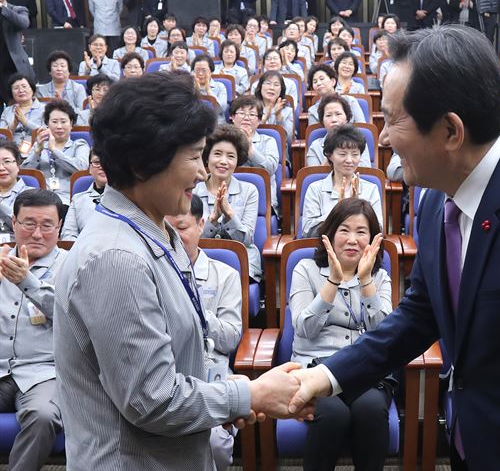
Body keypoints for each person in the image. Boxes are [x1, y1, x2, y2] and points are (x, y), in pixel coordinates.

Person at [288, 25, 500, 471]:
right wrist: (326, 376)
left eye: (394, 119)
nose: (382, 139)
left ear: (451, 131)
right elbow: (420, 315)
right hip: (470, 446)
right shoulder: (436, 201)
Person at [53, 70, 310, 471]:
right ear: (142, 164)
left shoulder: (158, 232)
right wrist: (249, 396)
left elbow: (175, 364)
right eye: (193, 156)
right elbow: (152, 399)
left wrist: (227, 394)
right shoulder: (117, 258)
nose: (204, 172)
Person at [291, 197, 390, 470]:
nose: (352, 239)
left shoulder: (380, 277)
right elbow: (304, 329)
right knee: (333, 414)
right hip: (315, 369)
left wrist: (366, 280)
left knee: (370, 410)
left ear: (372, 239)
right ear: (331, 233)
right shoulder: (306, 269)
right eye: (344, 230)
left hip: (365, 369)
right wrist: (333, 280)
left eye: (361, 232)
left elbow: (385, 335)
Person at [165, 194, 242, 471]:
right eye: (167, 229)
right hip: (163, 375)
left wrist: (197, 311)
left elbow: (232, 337)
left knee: (213, 444)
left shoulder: (225, 275)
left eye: (182, 228)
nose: (173, 238)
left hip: (211, 375)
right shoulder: (148, 272)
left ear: (201, 225)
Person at [0, 188, 65, 470]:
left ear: (59, 227)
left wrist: (28, 281)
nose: (37, 234)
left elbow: (71, 318)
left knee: (42, 416)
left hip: (45, 371)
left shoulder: (73, 265)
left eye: (47, 225)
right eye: (29, 223)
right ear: (14, 223)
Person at [194, 124, 262, 282]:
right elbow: (191, 238)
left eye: (231, 156)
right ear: (207, 156)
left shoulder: (249, 191)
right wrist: (212, 219)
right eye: (217, 154)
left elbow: (247, 240)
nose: (223, 161)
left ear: (238, 160)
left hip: (242, 261)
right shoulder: (193, 191)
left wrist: (229, 214)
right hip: (200, 260)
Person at [301, 124, 382, 238]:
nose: (349, 160)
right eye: (342, 154)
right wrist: (339, 209)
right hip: (324, 251)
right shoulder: (315, 189)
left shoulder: (371, 189)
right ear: (330, 156)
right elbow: (308, 232)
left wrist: (358, 210)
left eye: (355, 154)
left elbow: (378, 230)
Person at [22, 99, 90, 205]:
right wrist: (37, 153)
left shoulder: (79, 145)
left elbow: (81, 169)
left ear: (71, 123)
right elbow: (25, 174)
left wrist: (54, 150)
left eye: (63, 122)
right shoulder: (38, 145)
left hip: (69, 200)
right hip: (39, 200)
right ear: (47, 124)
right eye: (54, 122)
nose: (59, 126)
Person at [229, 95, 279, 213]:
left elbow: (270, 168)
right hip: (228, 197)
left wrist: (250, 149)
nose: (246, 118)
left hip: (263, 199)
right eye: (241, 113)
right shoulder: (223, 140)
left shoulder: (268, 141)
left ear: (259, 120)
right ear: (232, 117)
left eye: (252, 114)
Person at [306, 94, 371, 167]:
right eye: (328, 115)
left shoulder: (359, 141)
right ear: (322, 121)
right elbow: (314, 176)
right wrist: (331, 157)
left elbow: (365, 171)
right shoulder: (315, 147)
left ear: (347, 118)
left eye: (338, 114)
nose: (334, 119)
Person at [61, 151, 105, 239]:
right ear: (90, 169)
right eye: (97, 162)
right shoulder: (77, 200)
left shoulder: (127, 198)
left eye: (108, 162)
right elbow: (68, 235)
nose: (102, 167)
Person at [0, 0, 36, 106]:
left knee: (21, 103)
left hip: (14, 66)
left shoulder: (18, 9)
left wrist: (2, 8)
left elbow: (23, 23)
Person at [1, 73, 44, 151]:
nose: (21, 90)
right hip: (11, 151)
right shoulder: (7, 111)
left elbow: (47, 132)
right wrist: (14, 124)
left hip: (38, 150)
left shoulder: (44, 109)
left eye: (24, 86)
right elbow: (2, 136)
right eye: (16, 88)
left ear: (32, 89)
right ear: (11, 93)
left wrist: (26, 122)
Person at [0, 139, 33, 241]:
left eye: (7, 161)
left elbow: (27, 227)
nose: (1, 168)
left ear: (18, 165)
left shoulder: (32, 195)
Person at [255, 71, 294, 142]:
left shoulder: (288, 111)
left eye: (276, 85)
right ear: (260, 86)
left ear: (281, 90)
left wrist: (278, 116)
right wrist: (264, 118)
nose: (271, 88)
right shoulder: (252, 109)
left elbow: (288, 140)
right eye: (268, 83)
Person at [192, 54, 228, 126]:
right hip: (194, 124)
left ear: (211, 71)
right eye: (197, 70)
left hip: (217, 124)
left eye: (204, 70)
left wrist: (208, 90)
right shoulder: (189, 87)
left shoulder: (220, 86)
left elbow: (221, 109)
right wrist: (196, 90)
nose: (200, 73)